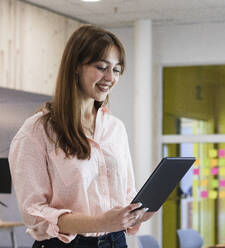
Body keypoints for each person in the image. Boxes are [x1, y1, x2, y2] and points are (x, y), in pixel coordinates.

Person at [8, 25, 152, 248]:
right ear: (75, 67)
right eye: (102, 67)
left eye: (116, 70)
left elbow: (127, 192)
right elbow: (34, 212)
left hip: (115, 241)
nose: (110, 77)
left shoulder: (115, 128)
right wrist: (100, 222)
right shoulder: (37, 131)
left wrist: (137, 212)